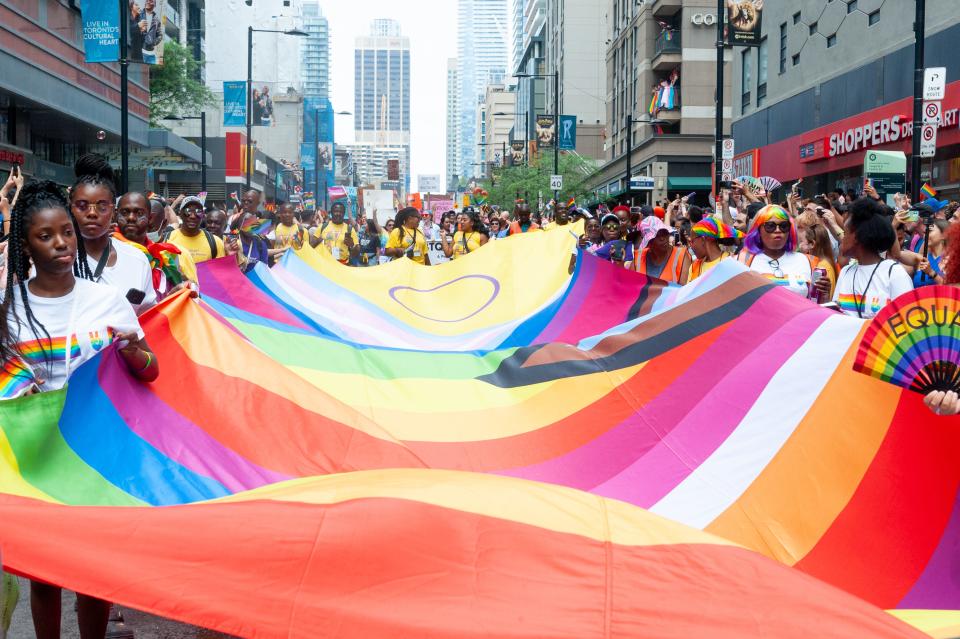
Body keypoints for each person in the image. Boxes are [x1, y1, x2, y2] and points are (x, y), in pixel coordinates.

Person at [0, 180, 158, 639]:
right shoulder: (11, 310)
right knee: (45, 574)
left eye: (66, 232)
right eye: (45, 236)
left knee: (94, 572)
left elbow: (150, 371)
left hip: (97, 454)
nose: (62, 244)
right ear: (25, 245)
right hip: (38, 458)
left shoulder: (106, 300)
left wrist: (133, 352)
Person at [70, 154, 156, 314]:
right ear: (71, 208)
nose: (92, 213)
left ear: (114, 211)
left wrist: (174, 298)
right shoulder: (53, 259)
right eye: (82, 205)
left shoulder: (138, 260)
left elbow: (149, 320)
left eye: (102, 206)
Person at [819, 197, 913, 319]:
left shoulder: (894, 274)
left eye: (846, 233)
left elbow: (907, 321)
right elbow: (837, 318)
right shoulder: (845, 273)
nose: (841, 240)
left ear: (857, 237)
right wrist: (825, 298)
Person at [115, 191, 198, 294]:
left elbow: (180, 290)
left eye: (139, 213)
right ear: (115, 215)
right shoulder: (106, 249)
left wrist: (186, 288)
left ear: (150, 218)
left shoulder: (164, 256)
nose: (131, 217)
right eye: (124, 212)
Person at [739, 204, 819, 298]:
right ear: (758, 230)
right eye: (770, 226)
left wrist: (823, 294)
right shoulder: (742, 261)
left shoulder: (807, 261)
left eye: (784, 226)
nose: (778, 230)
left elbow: (816, 303)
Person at [164, 195, 227, 264]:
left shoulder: (215, 242)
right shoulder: (167, 239)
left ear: (203, 215)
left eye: (198, 212)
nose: (193, 216)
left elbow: (220, 271)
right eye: (188, 211)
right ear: (180, 213)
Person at [633, 216, 690, 284]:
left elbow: (685, 290)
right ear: (649, 242)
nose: (663, 238)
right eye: (657, 235)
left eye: (665, 232)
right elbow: (631, 287)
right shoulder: (638, 258)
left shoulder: (681, 255)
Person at [800, 223, 837, 300]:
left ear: (812, 244)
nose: (800, 245)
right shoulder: (827, 262)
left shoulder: (821, 268)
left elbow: (816, 299)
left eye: (801, 241)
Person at [910, 219, 949, 287]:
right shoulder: (921, 258)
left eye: (930, 231)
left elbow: (952, 289)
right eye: (925, 232)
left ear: (944, 235)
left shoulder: (952, 260)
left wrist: (931, 272)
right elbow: (897, 254)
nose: (925, 235)